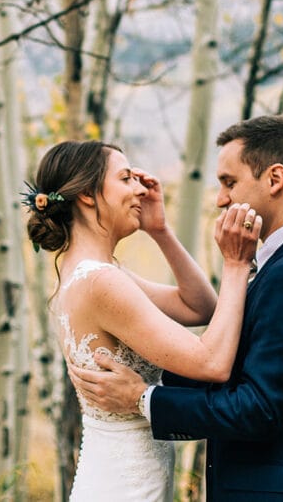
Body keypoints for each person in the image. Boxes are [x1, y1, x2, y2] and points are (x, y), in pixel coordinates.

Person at [69, 115, 283, 501]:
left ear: (275, 179)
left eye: (229, 182)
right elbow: (239, 374)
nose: (221, 198)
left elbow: (258, 409)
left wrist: (142, 398)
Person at [24, 139, 262, 501]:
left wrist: (160, 231)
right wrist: (235, 263)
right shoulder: (101, 282)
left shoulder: (93, 273)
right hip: (125, 485)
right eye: (125, 178)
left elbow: (199, 306)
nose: (139, 188)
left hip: (118, 474)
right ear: (87, 194)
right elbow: (212, 363)